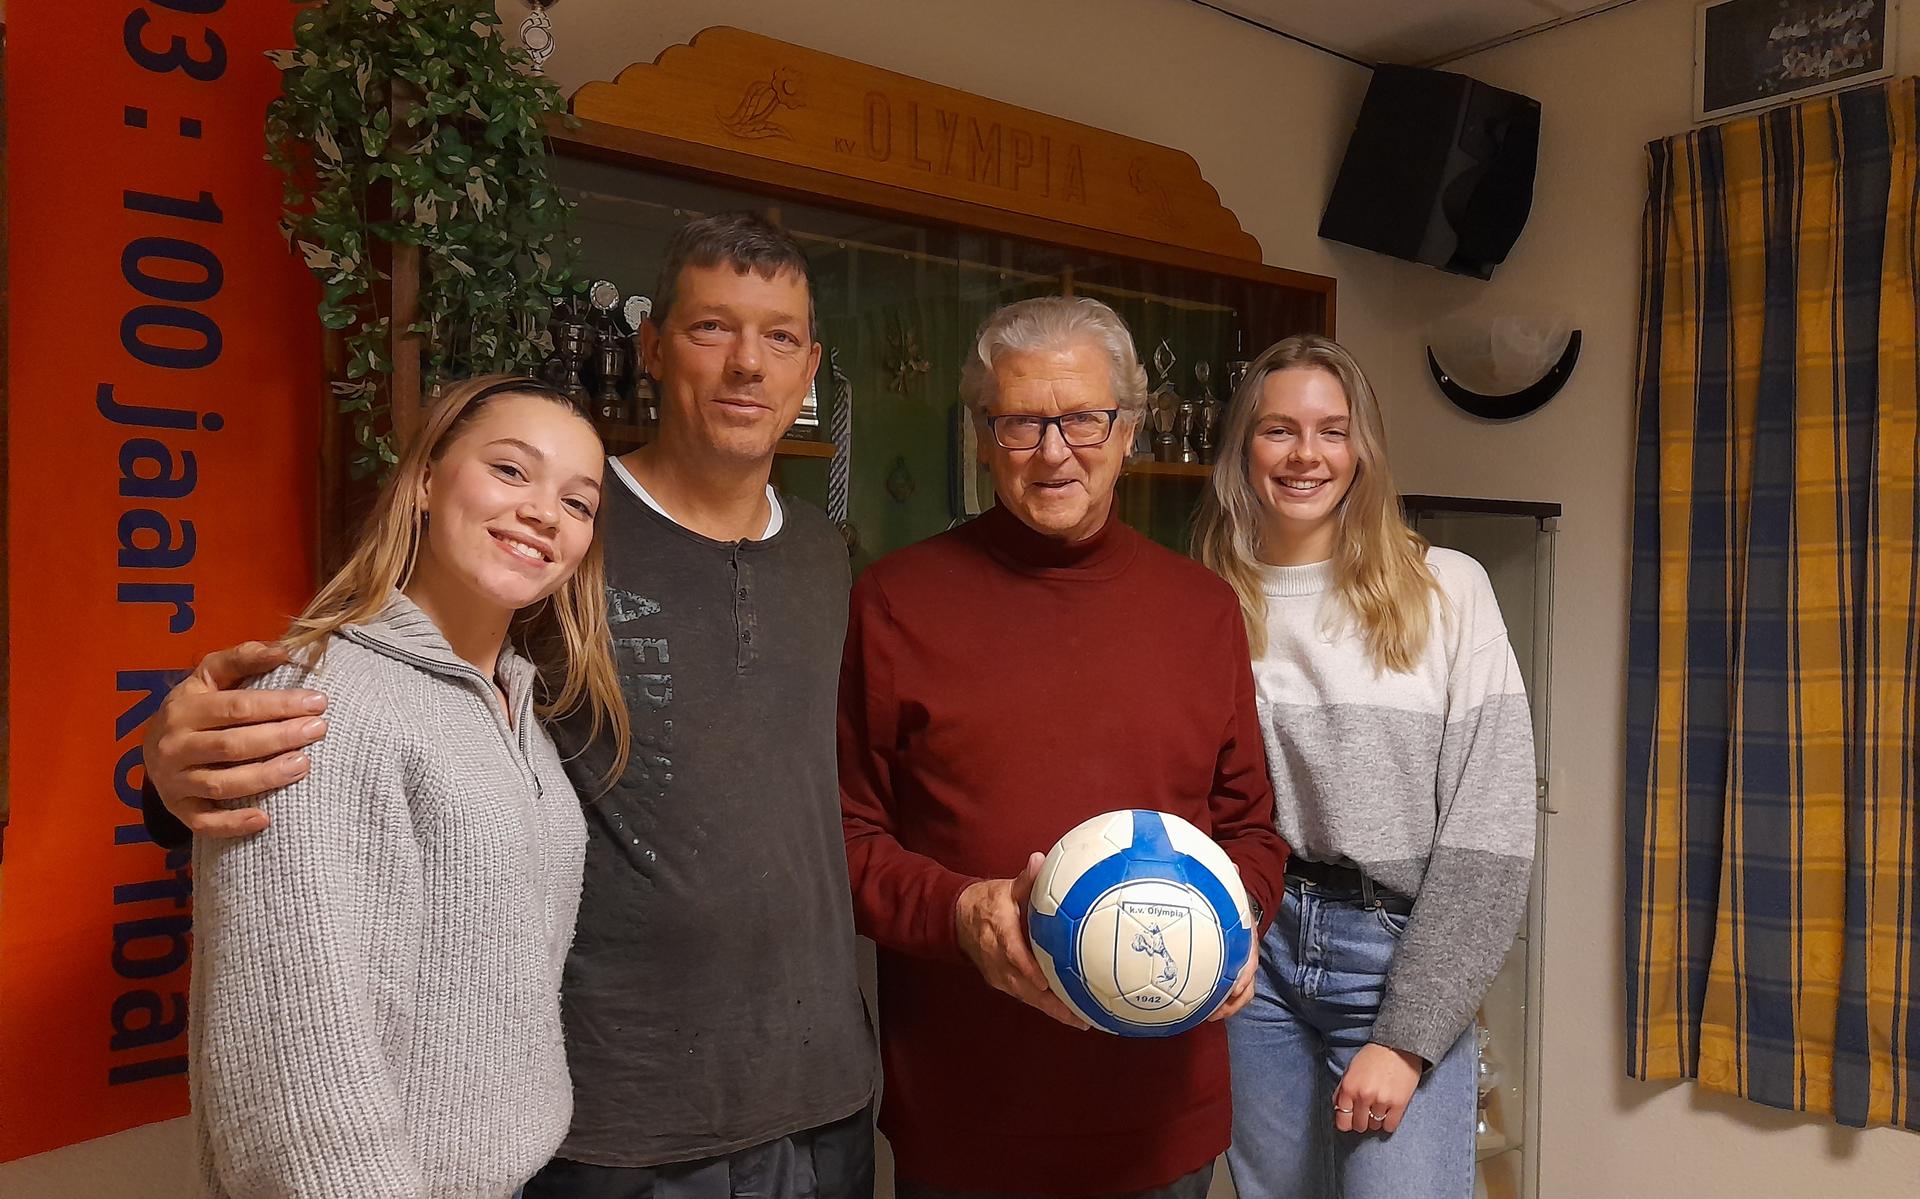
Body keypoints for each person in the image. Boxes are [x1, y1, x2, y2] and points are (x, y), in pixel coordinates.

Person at [144, 213, 878, 1198]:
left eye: (779, 336)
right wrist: (170, 773)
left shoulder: (828, 556)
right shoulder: (564, 535)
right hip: (623, 1114)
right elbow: (373, 694)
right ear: (653, 349)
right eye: (712, 328)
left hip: (819, 1094)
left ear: (810, 365)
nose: (749, 363)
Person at [838, 296, 1291, 1198]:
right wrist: (961, 913)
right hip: (970, 1122)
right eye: (1019, 421)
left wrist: (1240, 927)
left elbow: (1252, 829)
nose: (1054, 450)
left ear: (1129, 429)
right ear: (980, 433)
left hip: (1161, 1122)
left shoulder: (1202, 611)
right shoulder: (895, 600)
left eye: (1083, 417)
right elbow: (847, 840)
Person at [192, 375, 628, 1196]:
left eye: (578, 502)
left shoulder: (517, 705)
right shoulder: (324, 695)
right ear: (426, 479)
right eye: (510, 469)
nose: (544, 511)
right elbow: (299, 1047)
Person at [1192, 335, 1536, 1199]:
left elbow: (1488, 834)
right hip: (1252, 953)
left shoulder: (1446, 589)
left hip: (1391, 950)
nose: (1306, 454)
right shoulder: (1204, 598)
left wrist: (1410, 1033)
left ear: (1362, 450)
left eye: (1331, 430)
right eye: (1278, 430)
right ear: (1244, 449)